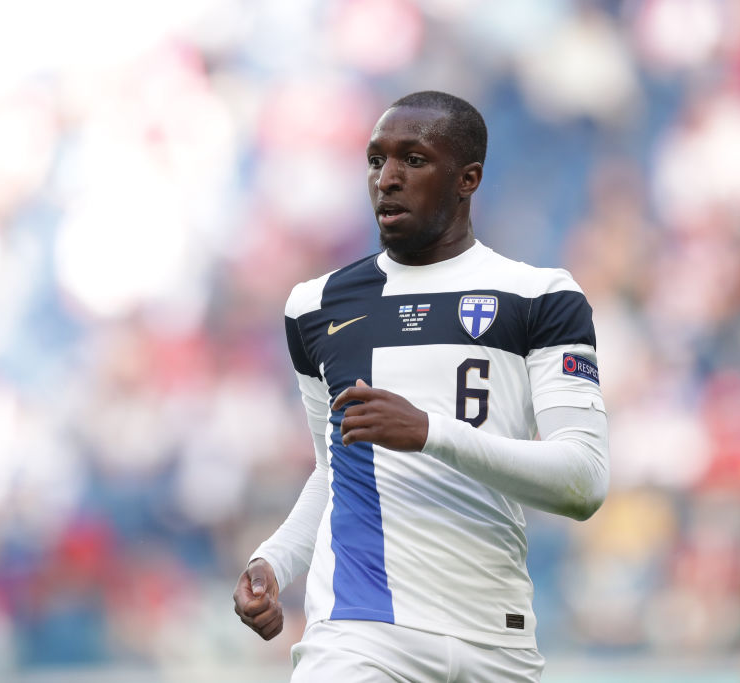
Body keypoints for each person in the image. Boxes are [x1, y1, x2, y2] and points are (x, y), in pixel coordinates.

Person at [233, 91, 610, 682]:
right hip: (361, 633)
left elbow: (584, 482)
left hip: (497, 634)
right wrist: (274, 562)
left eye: (412, 160)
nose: (386, 179)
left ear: (467, 178)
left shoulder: (541, 296)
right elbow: (334, 470)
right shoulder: (315, 306)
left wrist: (431, 433)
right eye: (375, 160)